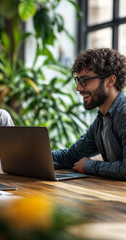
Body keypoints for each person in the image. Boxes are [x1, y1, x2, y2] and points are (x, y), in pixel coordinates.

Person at [52, 48, 126, 180]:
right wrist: (32, 157)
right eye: (78, 80)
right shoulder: (101, 120)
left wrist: (89, 166)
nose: (78, 88)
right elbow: (71, 156)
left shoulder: (124, 114)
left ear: (110, 80)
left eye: (85, 80)